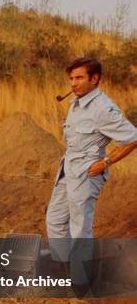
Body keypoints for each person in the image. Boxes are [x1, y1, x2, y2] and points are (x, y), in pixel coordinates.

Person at [46, 57, 137, 287]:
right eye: (71, 78)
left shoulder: (103, 109)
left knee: (80, 229)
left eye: (79, 78)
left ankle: (79, 282)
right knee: (55, 219)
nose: (73, 83)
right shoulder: (76, 101)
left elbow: (132, 138)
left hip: (87, 174)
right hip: (68, 170)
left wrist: (105, 162)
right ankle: (63, 265)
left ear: (95, 79)